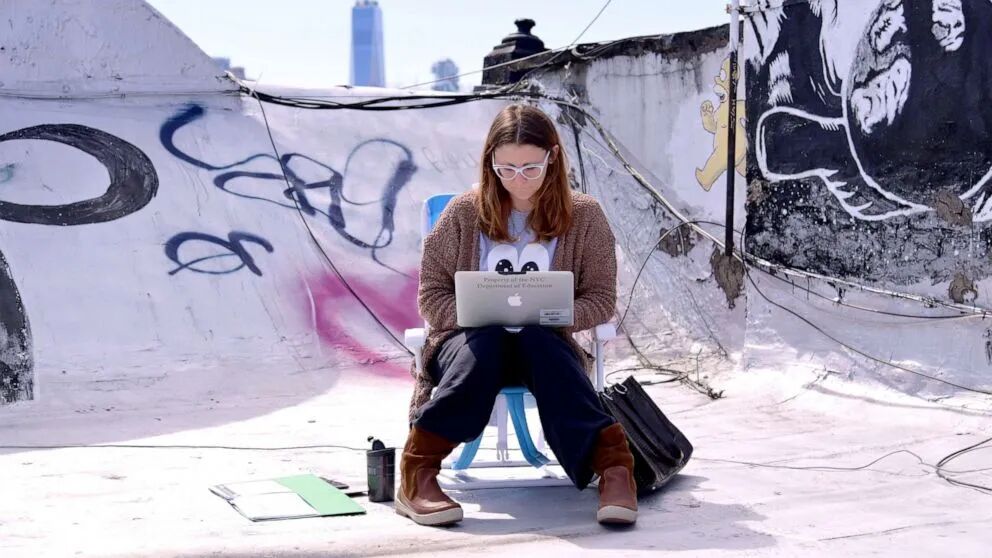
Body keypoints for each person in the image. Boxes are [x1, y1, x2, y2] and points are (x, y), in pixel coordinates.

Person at [396, 104, 637, 527]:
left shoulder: (585, 215)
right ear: (490, 161)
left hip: (545, 342)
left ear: (553, 158)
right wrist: (474, 313)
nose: (518, 180)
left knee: (537, 342)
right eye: (506, 168)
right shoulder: (463, 213)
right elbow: (431, 295)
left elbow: (601, 298)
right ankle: (418, 471)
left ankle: (615, 468)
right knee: (488, 343)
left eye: (530, 168)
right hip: (468, 342)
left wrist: (553, 313)